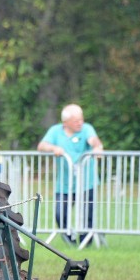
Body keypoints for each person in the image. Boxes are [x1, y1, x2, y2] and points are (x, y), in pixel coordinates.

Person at [37, 104, 104, 244]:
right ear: (65, 123)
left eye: (81, 119)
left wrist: (97, 147)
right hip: (65, 183)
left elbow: (93, 140)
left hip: (87, 181)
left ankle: (85, 243)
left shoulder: (87, 128)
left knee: (87, 214)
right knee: (60, 214)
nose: (80, 123)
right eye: (76, 121)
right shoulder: (55, 131)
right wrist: (53, 148)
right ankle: (69, 239)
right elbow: (41, 146)